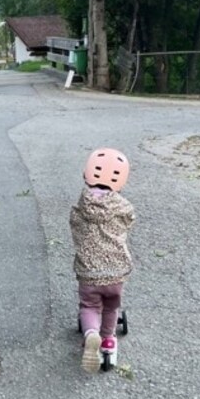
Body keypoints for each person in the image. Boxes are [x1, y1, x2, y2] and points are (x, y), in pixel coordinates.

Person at [69, 148, 135, 373]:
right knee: (110, 307)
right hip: (116, 272)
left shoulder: (80, 208)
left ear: (86, 175)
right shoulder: (124, 208)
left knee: (89, 306)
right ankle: (108, 340)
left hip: (89, 272)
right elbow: (129, 222)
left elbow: (75, 227)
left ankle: (90, 335)